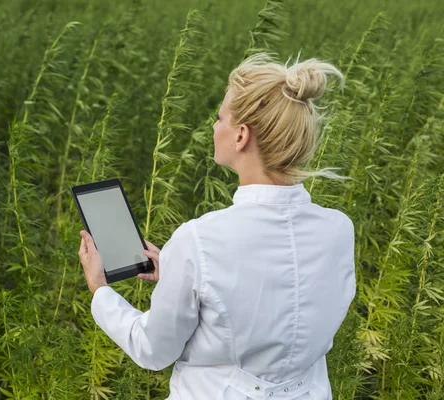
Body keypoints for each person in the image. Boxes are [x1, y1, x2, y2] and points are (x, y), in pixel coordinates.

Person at [78, 52, 356, 399]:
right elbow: (284, 309)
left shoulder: (199, 241)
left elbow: (152, 350)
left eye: (220, 117)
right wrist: (184, 277)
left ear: (241, 136)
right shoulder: (339, 230)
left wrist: (100, 289)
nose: (214, 126)